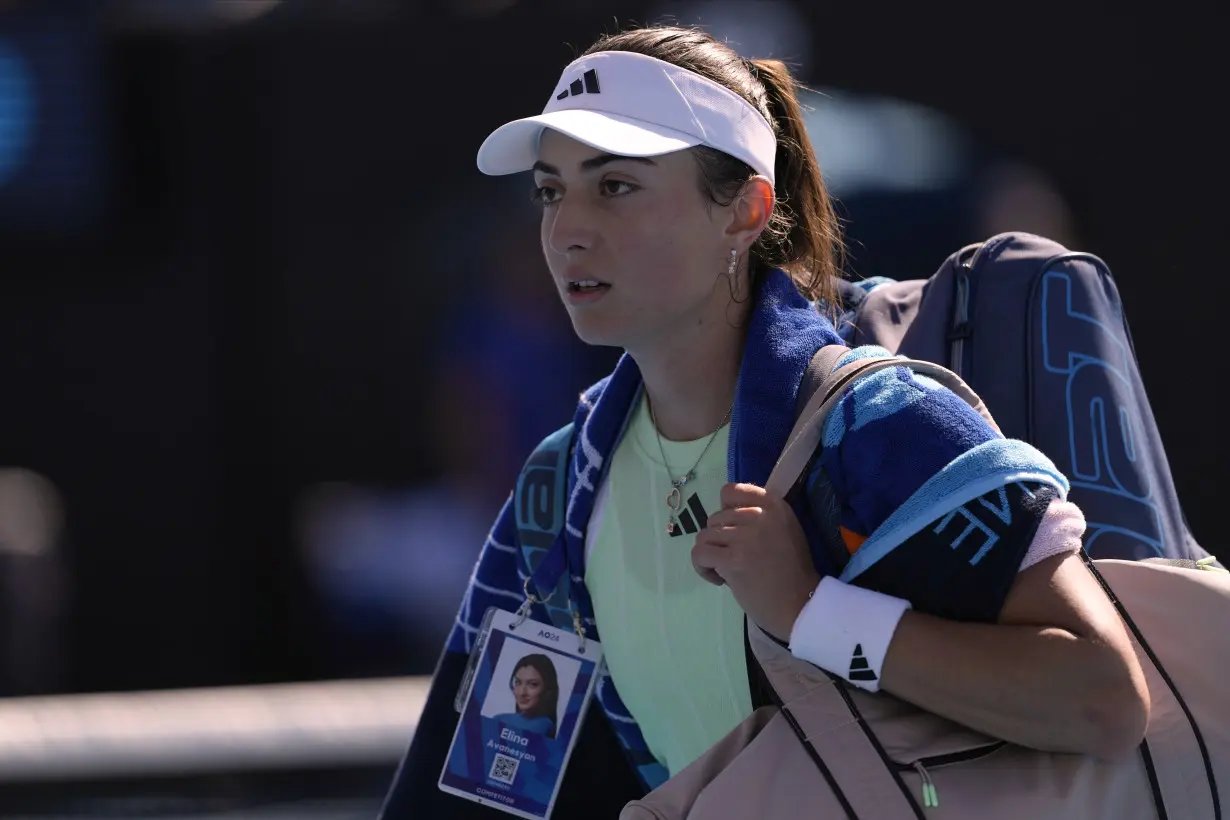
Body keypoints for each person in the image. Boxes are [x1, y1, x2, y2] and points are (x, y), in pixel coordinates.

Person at [380, 24, 1150, 818]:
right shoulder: (558, 488)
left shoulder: (882, 429)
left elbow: (1103, 698)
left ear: (745, 210)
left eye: (614, 186)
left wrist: (814, 613)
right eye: (551, 190)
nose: (567, 229)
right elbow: (492, 788)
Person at [493, 653, 560, 739]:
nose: (522, 692)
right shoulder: (499, 718)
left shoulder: (544, 725)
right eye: (518, 682)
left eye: (532, 684)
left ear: (548, 690)